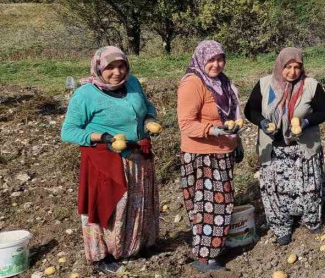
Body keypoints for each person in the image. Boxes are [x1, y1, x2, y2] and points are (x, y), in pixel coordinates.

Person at [61, 46, 161, 274]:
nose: (117, 72)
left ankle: (134, 247)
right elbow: (68, 131)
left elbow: (147, 106)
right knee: (108, 205)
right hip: (106, 161)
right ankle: (101, 256)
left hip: (137, 156)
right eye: (110, 67)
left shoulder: (132, 83)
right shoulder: (85, 95)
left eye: (121, 65)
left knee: (138, 205)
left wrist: (149, 119)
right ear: (98, 68)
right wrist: (102, 137)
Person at [244, 47, 325, 245]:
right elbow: (251, 110)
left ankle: (311, 221)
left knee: (310, 186)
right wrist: (263, 123)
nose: (292, 72)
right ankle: (281, 226)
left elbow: (324, 112)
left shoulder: (311, 85)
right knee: (274, 189)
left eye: (297, 67)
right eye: (288, 67)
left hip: (303, 146)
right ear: (279, 65)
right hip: (274, 148)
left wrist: (306, 122)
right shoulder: (265, 85)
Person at [177, 40, 243, 273]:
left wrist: (237, 141)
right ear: (200, 60)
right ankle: (205, 258)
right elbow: (186, 124)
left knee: (221, 203)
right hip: (202, 154)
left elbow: (232, 116)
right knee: (209, 206)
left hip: (222, 150)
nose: (216, 64)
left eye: (220, 59)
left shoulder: (222, 82)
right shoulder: (193, 83)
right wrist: (213, 131)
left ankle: (213, 248)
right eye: (211, 60)